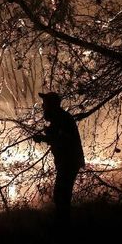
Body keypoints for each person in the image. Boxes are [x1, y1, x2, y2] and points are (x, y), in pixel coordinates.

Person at [33, 92, 85, 230]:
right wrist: (47, 133)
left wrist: (43, 138)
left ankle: (63, 227)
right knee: (62, 195)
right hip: (68, 162)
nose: (43, 106)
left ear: (51, 105)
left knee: (61, 195)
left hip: (69, 162)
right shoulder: (60, 118)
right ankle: (63, 225)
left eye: (45, 104)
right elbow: (57, 135)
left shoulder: (62, 118)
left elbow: (62, 140)